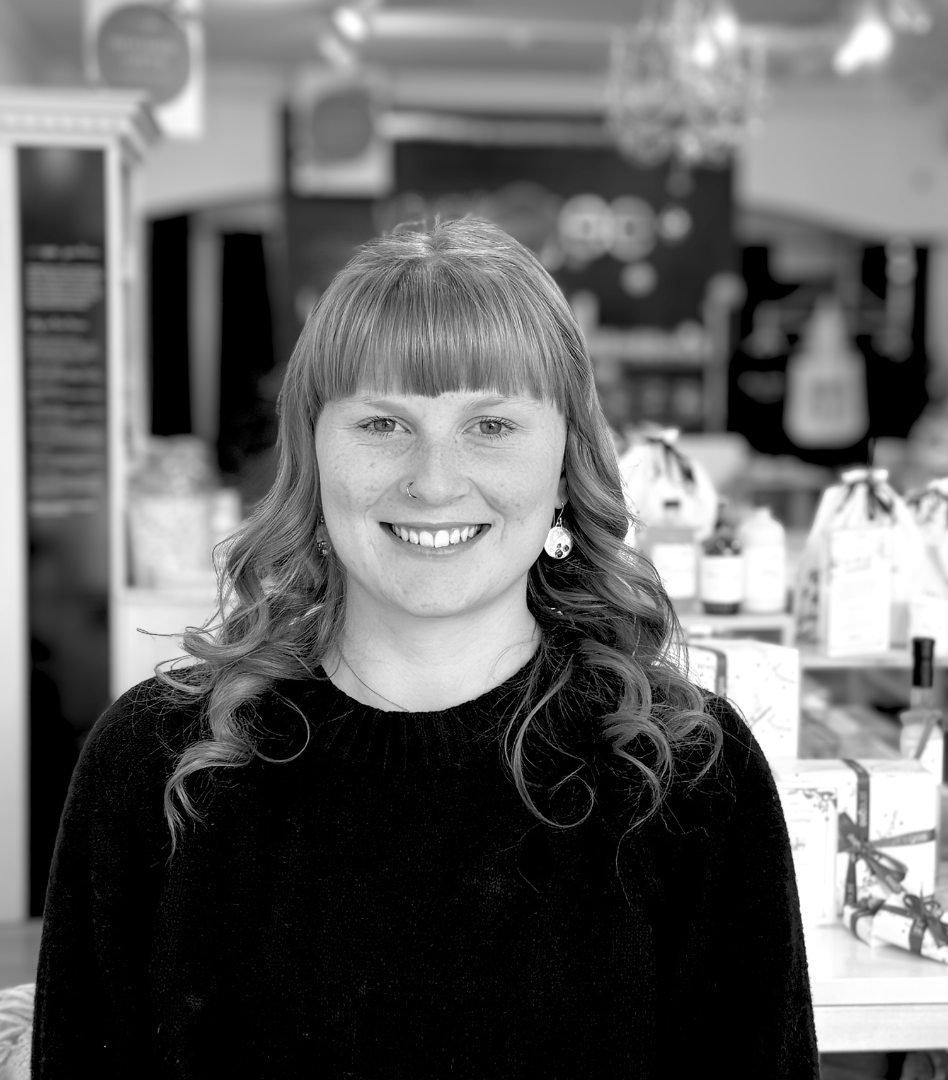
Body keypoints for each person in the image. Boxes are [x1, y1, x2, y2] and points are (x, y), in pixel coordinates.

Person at [32, 218, 819, 1078]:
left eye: (491, 426)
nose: (435, 481)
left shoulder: (687, 772)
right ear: (314, 455)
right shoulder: (151, 764)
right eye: (382, 424)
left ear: (564, 465)